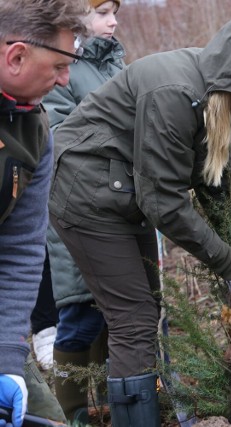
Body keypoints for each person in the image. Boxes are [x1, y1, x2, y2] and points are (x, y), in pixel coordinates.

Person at [48, 10, 231, 426]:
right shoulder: (174, 91)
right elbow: (164, 202)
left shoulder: (215, 94)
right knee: (134, 319)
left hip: (125, 192)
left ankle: (131, 407)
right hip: (87, 197)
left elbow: (213, 180)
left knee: (144, 307)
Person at [0, 0, 87, 425]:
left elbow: (20, 248)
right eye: (58, 65)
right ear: (16, 56)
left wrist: (7, 358)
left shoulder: (35, 131)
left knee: (46, 419)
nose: (65, 79)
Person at [42, 0, 125, 423]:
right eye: (102, 12)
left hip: (122, 201)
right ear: (76, 19)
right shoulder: (59, 66)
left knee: (119, 313)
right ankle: (71, 411)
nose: (112, 21)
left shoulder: (117, 62)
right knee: (80, 312)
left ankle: (113, 401)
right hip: (77, 204)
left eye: (115, 11)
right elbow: (56, 132)